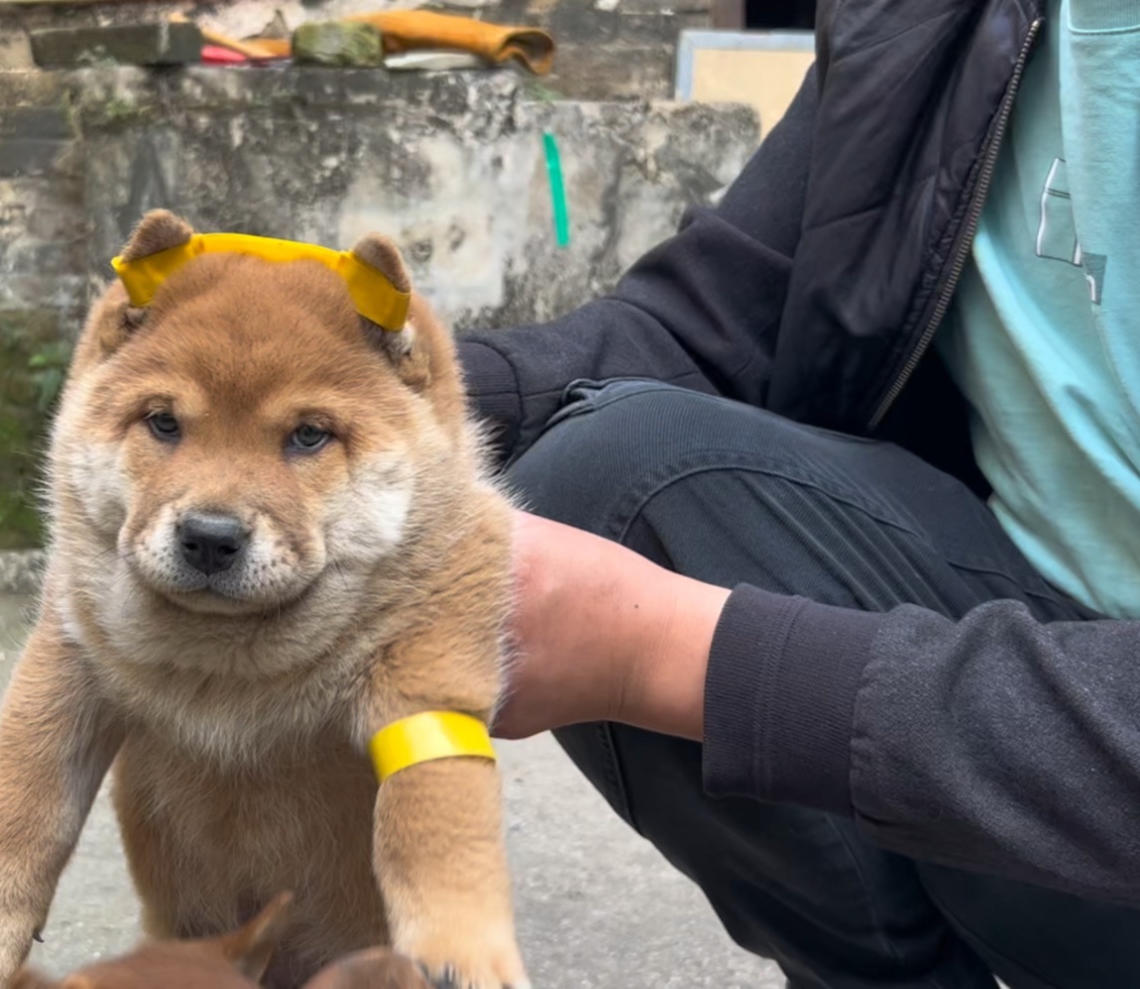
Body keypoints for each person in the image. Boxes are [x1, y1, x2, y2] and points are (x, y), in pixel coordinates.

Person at [457, 0, 1140, 985]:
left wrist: (684, 655)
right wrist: (362, 384)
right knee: (604, 479)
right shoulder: (939, 21)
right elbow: (717, 318)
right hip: (1019, 678)